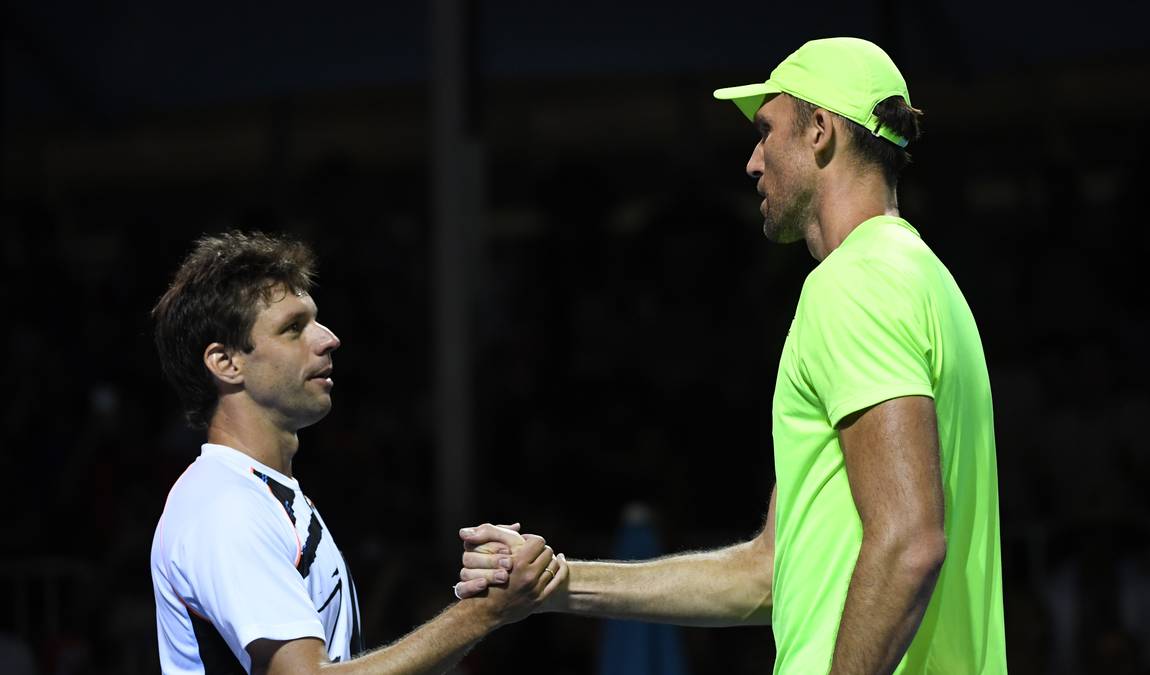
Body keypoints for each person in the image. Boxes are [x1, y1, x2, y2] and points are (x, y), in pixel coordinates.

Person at [459, 37, 1007, 673]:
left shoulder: (855, 283)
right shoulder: (925, 280)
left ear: (820, 133)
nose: (752, 162)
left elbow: (910, 541)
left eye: (765, 131)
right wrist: (558, 581)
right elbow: (768, 573)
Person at [149, 230, 566, 674]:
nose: (328, 339)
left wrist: (485, 606)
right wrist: (483, 615)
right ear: (226, 363)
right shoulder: (223, 507)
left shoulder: (263, 497)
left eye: (316, 321)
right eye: (294, 328)